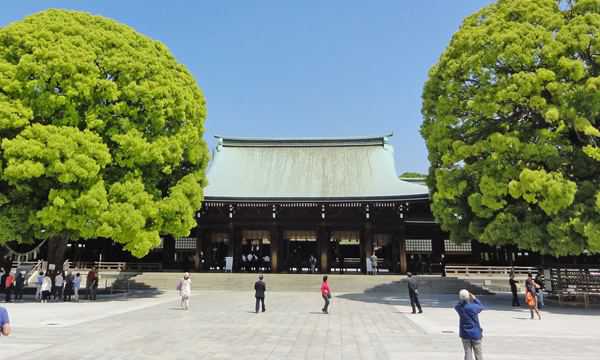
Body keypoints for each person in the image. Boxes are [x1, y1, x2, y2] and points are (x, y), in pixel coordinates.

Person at [455, 289, 484, 360]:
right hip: (475, 333)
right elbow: (481, 306)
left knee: (467, 353)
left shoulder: (459, 308)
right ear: (468, 297)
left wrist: (462, 299)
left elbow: (457, 305)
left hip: (465, 333)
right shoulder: (473, 307)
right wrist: (475, 299)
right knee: (478, 354)